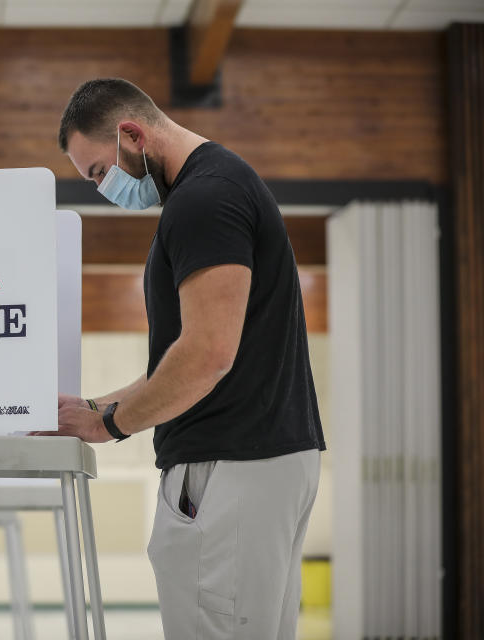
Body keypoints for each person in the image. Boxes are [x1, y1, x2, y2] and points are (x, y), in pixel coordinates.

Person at [33, 78, 326, 639]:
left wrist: (111, 424)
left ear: (131, 134)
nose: (102, 188)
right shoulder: (222, 185)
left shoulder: (202, 199)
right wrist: (91, 406)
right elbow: (181, 360)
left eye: (99, 171)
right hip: (263, 465)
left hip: (229, 472)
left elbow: (207, 356)